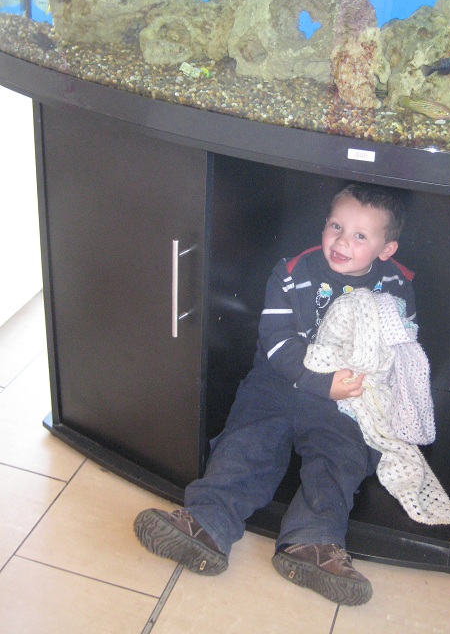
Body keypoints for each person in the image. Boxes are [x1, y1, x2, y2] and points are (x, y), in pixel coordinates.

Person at [134, 183, 417, 606]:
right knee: (246, 444)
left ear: (386, 248)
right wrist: (318, 381)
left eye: (360, 235)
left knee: (340, 460)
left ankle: (312, 543)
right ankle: (207, 522)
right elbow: (277, 339)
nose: (342, 241)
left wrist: (373, 386)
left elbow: (402, 343)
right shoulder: (292, 272)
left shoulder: (396, 283)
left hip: (344, 400)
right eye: (336, 226)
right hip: (278, 384)